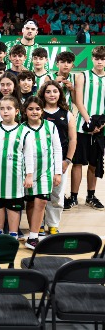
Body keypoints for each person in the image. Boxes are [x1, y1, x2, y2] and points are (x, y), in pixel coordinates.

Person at [0, 95, 34, 240]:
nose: (5, 111)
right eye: (2, 108)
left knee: (14, 206)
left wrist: (29, 175)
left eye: (9, 108)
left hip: (15, 177)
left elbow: (28, 155)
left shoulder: (25, 131)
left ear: (17, 111)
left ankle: (13, 235)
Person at [65, 46, 105, 211]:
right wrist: (89, 121)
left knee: (94, 164)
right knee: (78, 163)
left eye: (102, 59)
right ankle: (73, 197)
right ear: (92, 58)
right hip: (82, 125)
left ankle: (91, 195)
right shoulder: (82, 76)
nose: (100, 61)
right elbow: (78, 101)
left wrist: (101, 123)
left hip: (101, 127)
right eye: (97, 58)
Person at [22, 96, 62, 249]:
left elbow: (58, 149)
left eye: (37, 109)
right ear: (25, 111)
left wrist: (57, 172)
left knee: (42, 201)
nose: (34, 112)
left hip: (46, 171)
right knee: (31, 202)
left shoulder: (50, 126)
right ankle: (34, 231)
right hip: (28, 172)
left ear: (42, 111)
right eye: (31, 109)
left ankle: (33, 237)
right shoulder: (22, 128)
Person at [39, 81, 77, 235]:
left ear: (60, 94)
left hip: (60, 162)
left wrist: (67, 160)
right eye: (48, 92)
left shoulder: (67, 114)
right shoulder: (37, 111)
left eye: (55, 91)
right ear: (43, 94)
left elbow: (73, 139)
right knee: (39, 194)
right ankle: (39, 223)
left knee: (57, 194)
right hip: (40, 160)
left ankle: (53, 224)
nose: (52, 94)